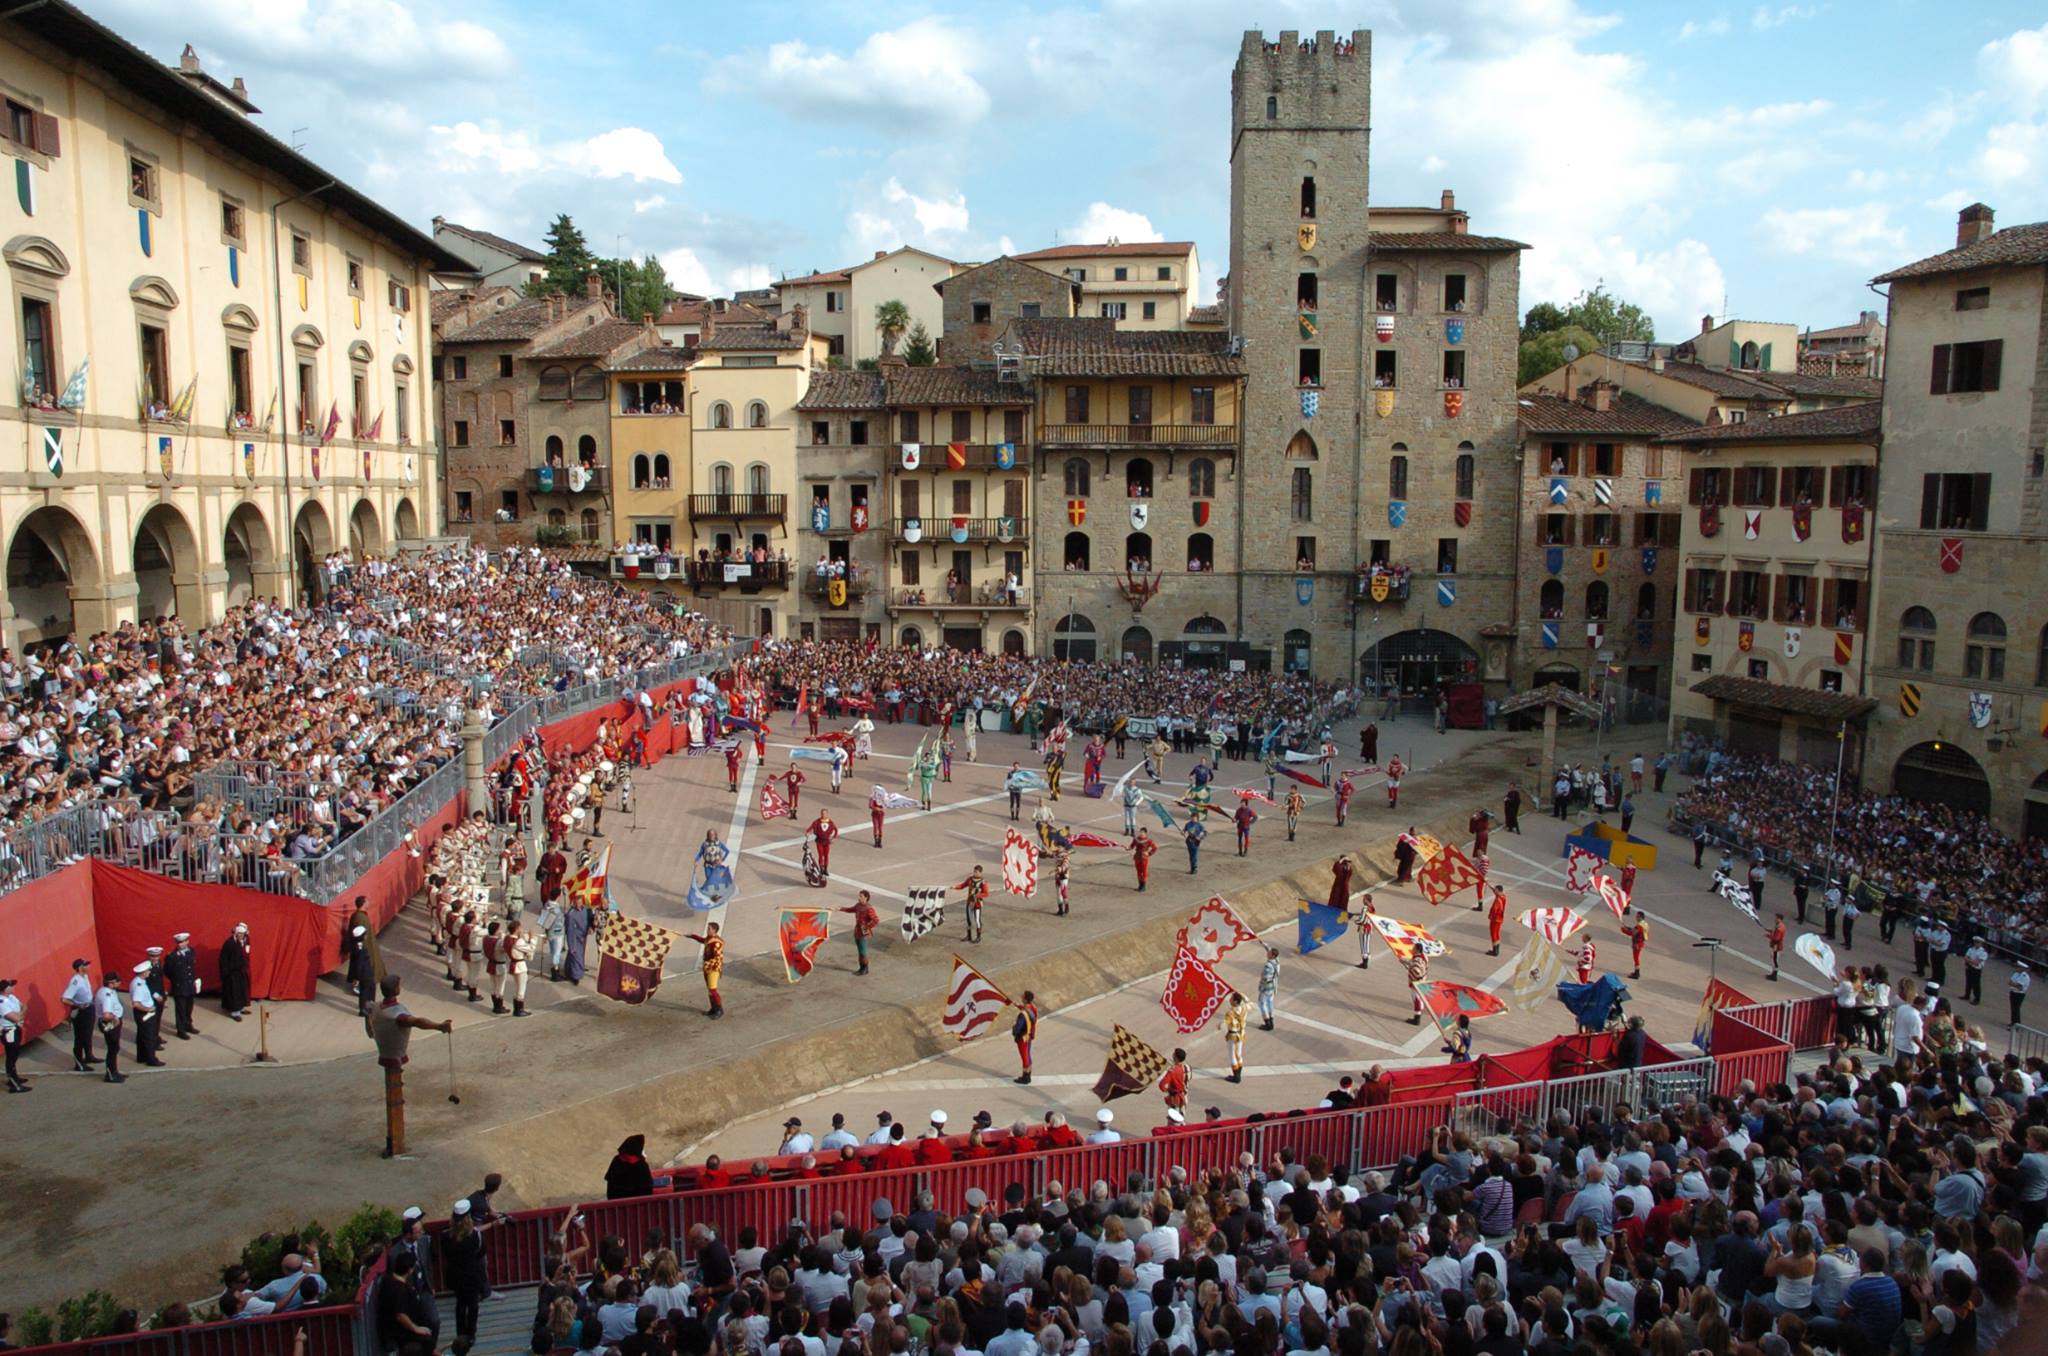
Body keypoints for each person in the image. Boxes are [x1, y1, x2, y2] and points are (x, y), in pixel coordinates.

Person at [445, 1198, 489, 1347]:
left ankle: (461, 1335)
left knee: (460, 1305)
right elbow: (481, 1253)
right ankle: (470, 1335)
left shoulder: (446, 1236)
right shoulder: (476, 1236)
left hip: (456, 1277)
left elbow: (447, 1255)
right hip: (472, 1276)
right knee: (472, 1305)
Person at [62, 957, 98, 1072]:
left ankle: (89, 1055)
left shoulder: (85, 976)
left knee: (88, 1034)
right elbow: (65, 999)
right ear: (80, 968)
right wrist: (78, 1005)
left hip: (89, 1007)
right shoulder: (75, 981)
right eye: (86, 965)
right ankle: (79, 1063)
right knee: (80, 1037)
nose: (89, 966)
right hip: (81, 1011)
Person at [685, 922, 725, 1018]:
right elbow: (703, 940)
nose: (707, 930)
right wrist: (692, 936)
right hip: (708, 967)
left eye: (709, 929)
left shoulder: (717, 943)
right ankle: (714, 1008)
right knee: (710, 990)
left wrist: (707, 964)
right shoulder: (709, 939)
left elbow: (717, 958)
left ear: (714, 930)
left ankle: (719, 1009)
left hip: (713, 968)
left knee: (712, 989)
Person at [165, 932, 200, 1039]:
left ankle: (188, 1024)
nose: (181, 944)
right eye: (179, 942)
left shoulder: (191, 951)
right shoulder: (172, 956)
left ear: (187, 941)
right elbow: (167, 971)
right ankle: (180, 1029)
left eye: (184, 941)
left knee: (189, 1007)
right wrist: (176, 980)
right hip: (179, 986)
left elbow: (191, 968)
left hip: (189, 985)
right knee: (180, 1009)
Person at [129, 961, 163, 1067]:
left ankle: (142, 1056)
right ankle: (151, 1059)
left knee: (142, 1035)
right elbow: (136, 1004)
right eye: (148, 971)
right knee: (149, 1036)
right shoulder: (138, 985)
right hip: (144, 1013)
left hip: (144, 1012)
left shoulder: (139, 981)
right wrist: (148, 1009)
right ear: (143, 972)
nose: (149, 972)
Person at [839, 890, 880, 975]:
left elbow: (876, 920)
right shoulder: (858, 905)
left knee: (863, 951)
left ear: (866, 897)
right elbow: (851, 909)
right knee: (860, 950)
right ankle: (863, 968)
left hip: (863, 932)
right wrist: (841, 909)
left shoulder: (869, 908)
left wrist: (867, 927)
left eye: (861, 896)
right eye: (859, 896)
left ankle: (864, 969)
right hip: (857, 931)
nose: (859, 897)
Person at [219, 923, 252, 1021]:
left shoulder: (244, 941)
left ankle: (240, 1008)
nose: (242, 935)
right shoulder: (229, 943)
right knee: (234, 992)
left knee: (242, 991)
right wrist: (227, 973)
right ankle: (235, 1012)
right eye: (240, 934)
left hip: (241, 971)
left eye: (243, 933)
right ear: (236, 933)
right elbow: (223, 959)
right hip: (232, 973)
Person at [606, 1135, 655, 1200]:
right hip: (639, 1206)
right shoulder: (642, 1165)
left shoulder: (616, 1161)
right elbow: (648, 1190)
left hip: (616, 1206)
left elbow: (610, 1187)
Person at [1, 977, 27, 1093]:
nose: (13, 987)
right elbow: (15, 1018)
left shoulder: (11, 997)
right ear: (5, 989)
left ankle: (14, 1077)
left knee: (15, 1053)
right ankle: (14, 1084)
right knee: (11, 1056)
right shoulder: (2, 1003)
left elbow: (24, 1006)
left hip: (15, 1028)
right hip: (8, 1031)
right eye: (11, 986)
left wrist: (19, 1015)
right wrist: (20, 1015)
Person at [956, 865, 990, 943]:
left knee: (977, 920)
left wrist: (978, 895)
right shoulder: (970, 879)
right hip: (970, 902)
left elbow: (986, 893)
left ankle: (978, 937)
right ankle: (969, 936)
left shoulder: (983, 882)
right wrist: (955, 887)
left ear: (980, 873)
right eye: (974, 871)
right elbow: (962, 885)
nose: (974, 873)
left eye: (976, 872)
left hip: (977, 903)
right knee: (969, 920)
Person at [1012, 991, 1038, 1085]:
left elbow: (1018, 1028)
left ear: (1025, 999)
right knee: (1028, 1055)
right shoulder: (1032, 1007)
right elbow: (1026, 1010)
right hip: (1029, 1035)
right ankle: (1028, 1074)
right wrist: (1017, 1005)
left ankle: (1025, 1077)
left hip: (1023, 1037)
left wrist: (1014, 1029)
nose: (1021, 997)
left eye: (1022, 996)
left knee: (1024, 1057)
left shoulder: (1023, 1014)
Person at [1223, 993, 1247, 1083]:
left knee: (1232, 1056)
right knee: (1239, 1054)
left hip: (1233, 1035)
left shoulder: (1230, 1013)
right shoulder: (1244, 1008)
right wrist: (1240, 994)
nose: (1230, 1000)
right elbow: (1247, 1000)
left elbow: (1225, 1023)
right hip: (1241, 1034)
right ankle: (1238, 1075)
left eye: (1231, 999)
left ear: (1235, 1001)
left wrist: (1219, 1025)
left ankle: (1236, 1077)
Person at [807, 811, 838, 879]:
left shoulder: (830, 822)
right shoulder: (817, 822)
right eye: (822, 813)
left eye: (825, 813)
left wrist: (834, 837)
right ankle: (821, 869)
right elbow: (811, 827)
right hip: (819, 841)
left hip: (827, 842)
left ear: (827, 814)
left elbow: (836, 830)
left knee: (826, 855)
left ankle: (825, 869)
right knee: (820, 855)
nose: (823, 815)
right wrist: (808, 832)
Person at [1256, 944, 1279, 1032]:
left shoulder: (1268, 966)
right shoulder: (1277, 962)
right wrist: (1263, 943)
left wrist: (1261, 987)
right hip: (1273, 987)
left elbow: (1265, 978)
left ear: (1273, 955)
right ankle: (1271, 1021)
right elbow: (1270, 949)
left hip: (1266, 988)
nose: (1267, 953)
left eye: (1269, 953)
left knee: (1262, 1004)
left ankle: (1267, 1023)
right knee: (1270, 1003)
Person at [1624, 910, 1650, 979]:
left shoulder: (1639, 926)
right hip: (1641, 943)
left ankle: (1636, 973)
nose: (1636, 918)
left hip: (1637, 944)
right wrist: (1629, 928)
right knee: (1636, 958)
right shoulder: (1645, 924)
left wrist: (1624, 930)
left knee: (1636, 958)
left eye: (1637, 916)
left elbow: (1633, 933)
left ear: (1640, 917)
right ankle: (1636, 972)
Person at [1962, 936, 1988, 1004]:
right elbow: (1965, 957)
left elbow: (1977, 963)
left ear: (1981, 943)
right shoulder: (1971, 949)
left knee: (1976, 984)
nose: (1976, 943)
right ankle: (1967, 995)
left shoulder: (1983, 952)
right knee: (1968, 982)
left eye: (1978, 942)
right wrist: (1970, 961)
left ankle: (1977, 999)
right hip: (1969, 967)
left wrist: (1969, 960)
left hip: (1976, 969)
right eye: (1975, 942)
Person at [1486, 885, 1507, 957]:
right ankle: (1497, 949)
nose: (1494, 891)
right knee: (1497, 934)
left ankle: (1495, 951)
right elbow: (1495, 892)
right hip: (1500, 919)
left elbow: (1495, 909)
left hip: (1495, 919)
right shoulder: (1503, 896)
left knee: (1493, 934)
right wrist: (1489, 885)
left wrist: (1491, 916)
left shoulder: (1498, 900)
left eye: (1495, 890)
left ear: (1498, 890)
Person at [1768, 913, 1786, 981]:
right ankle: (1773, 973)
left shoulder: (1779, 928)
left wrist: (1769, 936)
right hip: (1776, 945)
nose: (1775, 919)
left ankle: (1774, 975)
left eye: (1776, 918)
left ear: (1779, 919)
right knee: (1774, 960)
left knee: (1774, 960)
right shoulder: (1780, 926)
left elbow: (1776, 938)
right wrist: (1769, 931)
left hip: (1776, 946)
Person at [2012, 962, 2031, 1026]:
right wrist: (2014, 985)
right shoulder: (2016, 974)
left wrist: (2014, 984)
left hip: (2019, 994)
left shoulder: (2024, 976)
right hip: (2013, 992)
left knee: (2016, 1009)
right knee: (2013, 1009)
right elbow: (2010, 982)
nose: (2016, 968)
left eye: (2018, 967)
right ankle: (2013, 1022)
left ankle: (2016, 1023)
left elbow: (2020, 987)